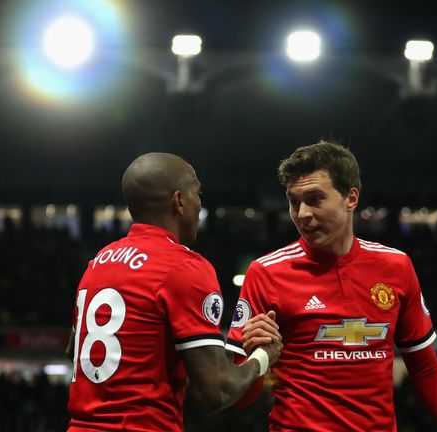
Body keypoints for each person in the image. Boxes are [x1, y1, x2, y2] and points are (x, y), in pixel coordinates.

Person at [227, 141, 437, 431]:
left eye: (315, 199)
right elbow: (242, 399)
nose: (302, 213)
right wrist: (260, 358)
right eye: (294, 201)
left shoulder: (396, 266)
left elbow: (427, 370)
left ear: (351, 198)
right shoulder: (266, 272)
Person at [66, 152, 283, 431]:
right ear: (179, 201)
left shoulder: (97, 263)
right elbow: (216, 391)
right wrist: (263, 355)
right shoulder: (183, 266)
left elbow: (74, 352)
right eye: (197, 194)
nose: (199, 205)